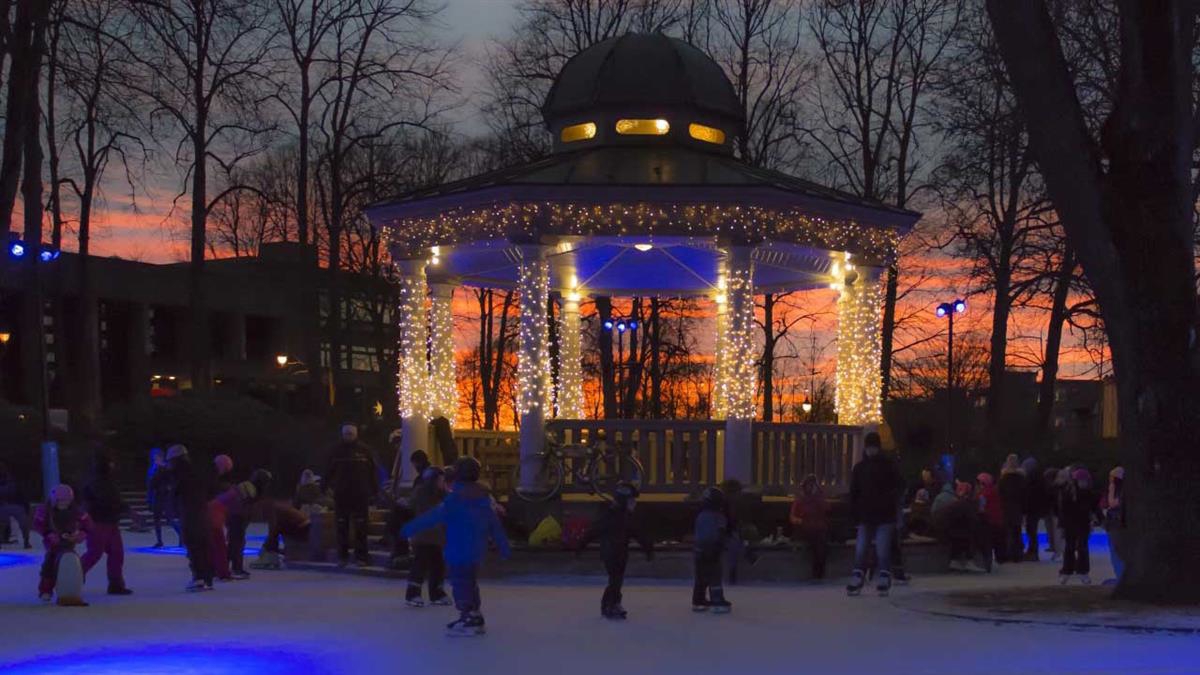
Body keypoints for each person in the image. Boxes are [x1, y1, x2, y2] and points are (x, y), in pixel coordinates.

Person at [402, 456, 511, 637]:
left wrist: (409, 528)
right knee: (470, 582)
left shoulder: (454, 499)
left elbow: (434, 517)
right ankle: (473, 614)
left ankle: (469, 617)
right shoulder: (483, 499)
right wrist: (503, 546)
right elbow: (494, 524)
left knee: (460, 583)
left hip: (457, 548)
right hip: (476, 549)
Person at [577, 482, 654, 619]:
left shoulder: (624, 517)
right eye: (631, 501)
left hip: (620, 553)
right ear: (624, 501)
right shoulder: (613, 517)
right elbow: (594, 531)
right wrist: (581, 545)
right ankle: (610, 604)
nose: (634, 504)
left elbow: (637, 534)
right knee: (615, 580)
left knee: (616, 580)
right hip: (611, 552)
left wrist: (648, 548)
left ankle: (612, 603)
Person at [846, 432, 902, 596]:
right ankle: (860, 574)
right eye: (869, 447)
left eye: (873, 447)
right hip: (868, 514)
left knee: (882, 548)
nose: (871, 450)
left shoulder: (887, 466)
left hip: (883, 514)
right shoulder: (860, 468)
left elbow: (898, 486)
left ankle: (882, 575)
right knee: (862, 547)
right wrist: (854, 512)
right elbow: (854, 492)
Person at [80, 450, 133, 595]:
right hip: (99, 521)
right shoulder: (99, 480)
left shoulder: (102, 479)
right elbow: (109, 499)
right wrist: (125, 509)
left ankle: (115, 584)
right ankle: (74, 576)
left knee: (115, 553)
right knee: (96, 552)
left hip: (107, 520)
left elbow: (111, 499)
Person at [326, 423, 379, 567]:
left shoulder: (365, 451)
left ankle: (361, 556)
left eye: (351, 434)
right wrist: (324, 487)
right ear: (342, 435)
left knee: (361, 526)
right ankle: (342, 556)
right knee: (342, 526)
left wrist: (374, 491)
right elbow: (328, 470)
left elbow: (372, 472)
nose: (348, 436)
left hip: (360, 494)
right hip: (341, 494)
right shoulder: (336, 451)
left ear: (356, 434)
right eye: (346, 434)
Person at [209, 470, 273, 580]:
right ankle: (234, 568)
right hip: (234, 516)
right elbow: (242, 505)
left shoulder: (248, 486)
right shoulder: (250, 489)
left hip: (232, 515)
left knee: (235, 542)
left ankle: (221, 568)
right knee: (237, 542)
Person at [33, 484, 91, 605]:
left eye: (67, 501)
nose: (64, 504)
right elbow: (38, 524)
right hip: (53, 543)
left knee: (72, 562)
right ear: (54, 500)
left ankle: (74, 586)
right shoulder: (45, 510)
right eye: (61, 501)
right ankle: (45, 590)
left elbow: (88, 524)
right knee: (49, 564)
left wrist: (81, 534)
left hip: (69, 542)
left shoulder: (77, 511)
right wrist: (48, 533)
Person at [167, 445, 214, 592]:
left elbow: (175, 492)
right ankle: (207, 577)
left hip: (189, 512)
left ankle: (199, 577)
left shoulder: (178, 473)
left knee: (194, 545)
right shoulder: (197, 470)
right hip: (201, 510)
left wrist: (172, 509)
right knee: (203, 544)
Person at [406, 466, 450, 608]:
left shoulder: (444, 495)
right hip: (423, 536)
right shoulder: (422, 494)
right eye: (440, 480)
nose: (442, 483)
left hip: (437, 537)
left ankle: (437, 593)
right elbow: (412, 506)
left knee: (438, 566)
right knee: (420, 565)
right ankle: (413, 593)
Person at [1059, 467, 1102, 585]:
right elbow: (1063, 511)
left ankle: (1083, 572)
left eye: (1085, 481)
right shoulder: (1068, 494)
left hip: (1083, 524)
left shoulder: (1090, 494)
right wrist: (1062, 526)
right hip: (1070, 524)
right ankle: (1066, 571)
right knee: (1070, 548)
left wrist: (1101, 520)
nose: (1083, 483)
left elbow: (1095, 508)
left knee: (1082, 548)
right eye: (1081, 481)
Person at [693, 486, 732, 613]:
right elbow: (721, 532)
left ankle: (698, 600)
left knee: (701, 575)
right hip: (712, 549)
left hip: (699, 550)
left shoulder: (701, 515)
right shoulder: (718, 516)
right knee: (715, 574)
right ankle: (717, 599)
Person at [789, 474, 829, 580]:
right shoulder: (799, 500)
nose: (810, 487)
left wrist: (818, 496)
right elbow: (793, 517)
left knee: (820, 541)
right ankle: (817, 572)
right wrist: (800, 521)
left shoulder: (819, 499)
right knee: (817, 541)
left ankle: (819, 572)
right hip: (804, 528)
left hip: (818, 529)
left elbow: (826, 509)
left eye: (813, 485)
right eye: (809, 485)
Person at [146, 448, 178, 548]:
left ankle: (182, 537)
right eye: (153, 456)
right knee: (157, 519)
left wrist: (168, 489)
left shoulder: (165, 467)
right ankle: (159, 540)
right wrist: (150, 496)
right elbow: (150, 483)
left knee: (170, 519)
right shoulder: (153, 468)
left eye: (156, 455)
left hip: (164, 496)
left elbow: (171, 480)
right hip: (156, 495)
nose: (154, 457)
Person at [998, 454, 1027, 564]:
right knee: (1016, 531)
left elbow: (1000, 493)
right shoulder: (1021, 478)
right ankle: (1017, 555)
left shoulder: (1003, 478)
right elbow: (1024, 495)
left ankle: (1007, 554)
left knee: (1007, 531)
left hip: (1006, 507)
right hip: (1017, 508)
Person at [0, 461, 31, 550]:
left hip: (11, 505)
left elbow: (18, 493)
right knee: (6, 520)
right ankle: (25, 540)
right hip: (9, 506)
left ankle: (25, 540)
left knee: (18, 519)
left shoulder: (11, 480)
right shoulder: (11, 480)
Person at [1103, 466, 1126, 585]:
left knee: (1117, 552)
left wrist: (1111, 490)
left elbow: (1112, 504)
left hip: (1117, 525)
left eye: (1111, 477)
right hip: (1115, 525)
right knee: (1115, 552)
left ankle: (1121, 577)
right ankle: (1120, 576)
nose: (1110, 480)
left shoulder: (1121, 491)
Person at [975, 473, 1004, 565]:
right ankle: (1000, 559)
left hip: (987, 521)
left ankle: (987, 561)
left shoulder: (982, 494)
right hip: (997, 520)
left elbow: (980, 508)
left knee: (988, 542)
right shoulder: (995, 491)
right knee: (998, 542)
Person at [1021, 457, 1046, 561]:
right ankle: (1032, 551)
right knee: (1031, 530)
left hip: (1032, 508)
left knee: (1031, 530)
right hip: (1035, 508)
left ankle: (1033, 552)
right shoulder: (1039, 478)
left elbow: (1029, 495)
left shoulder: (1031, 479)